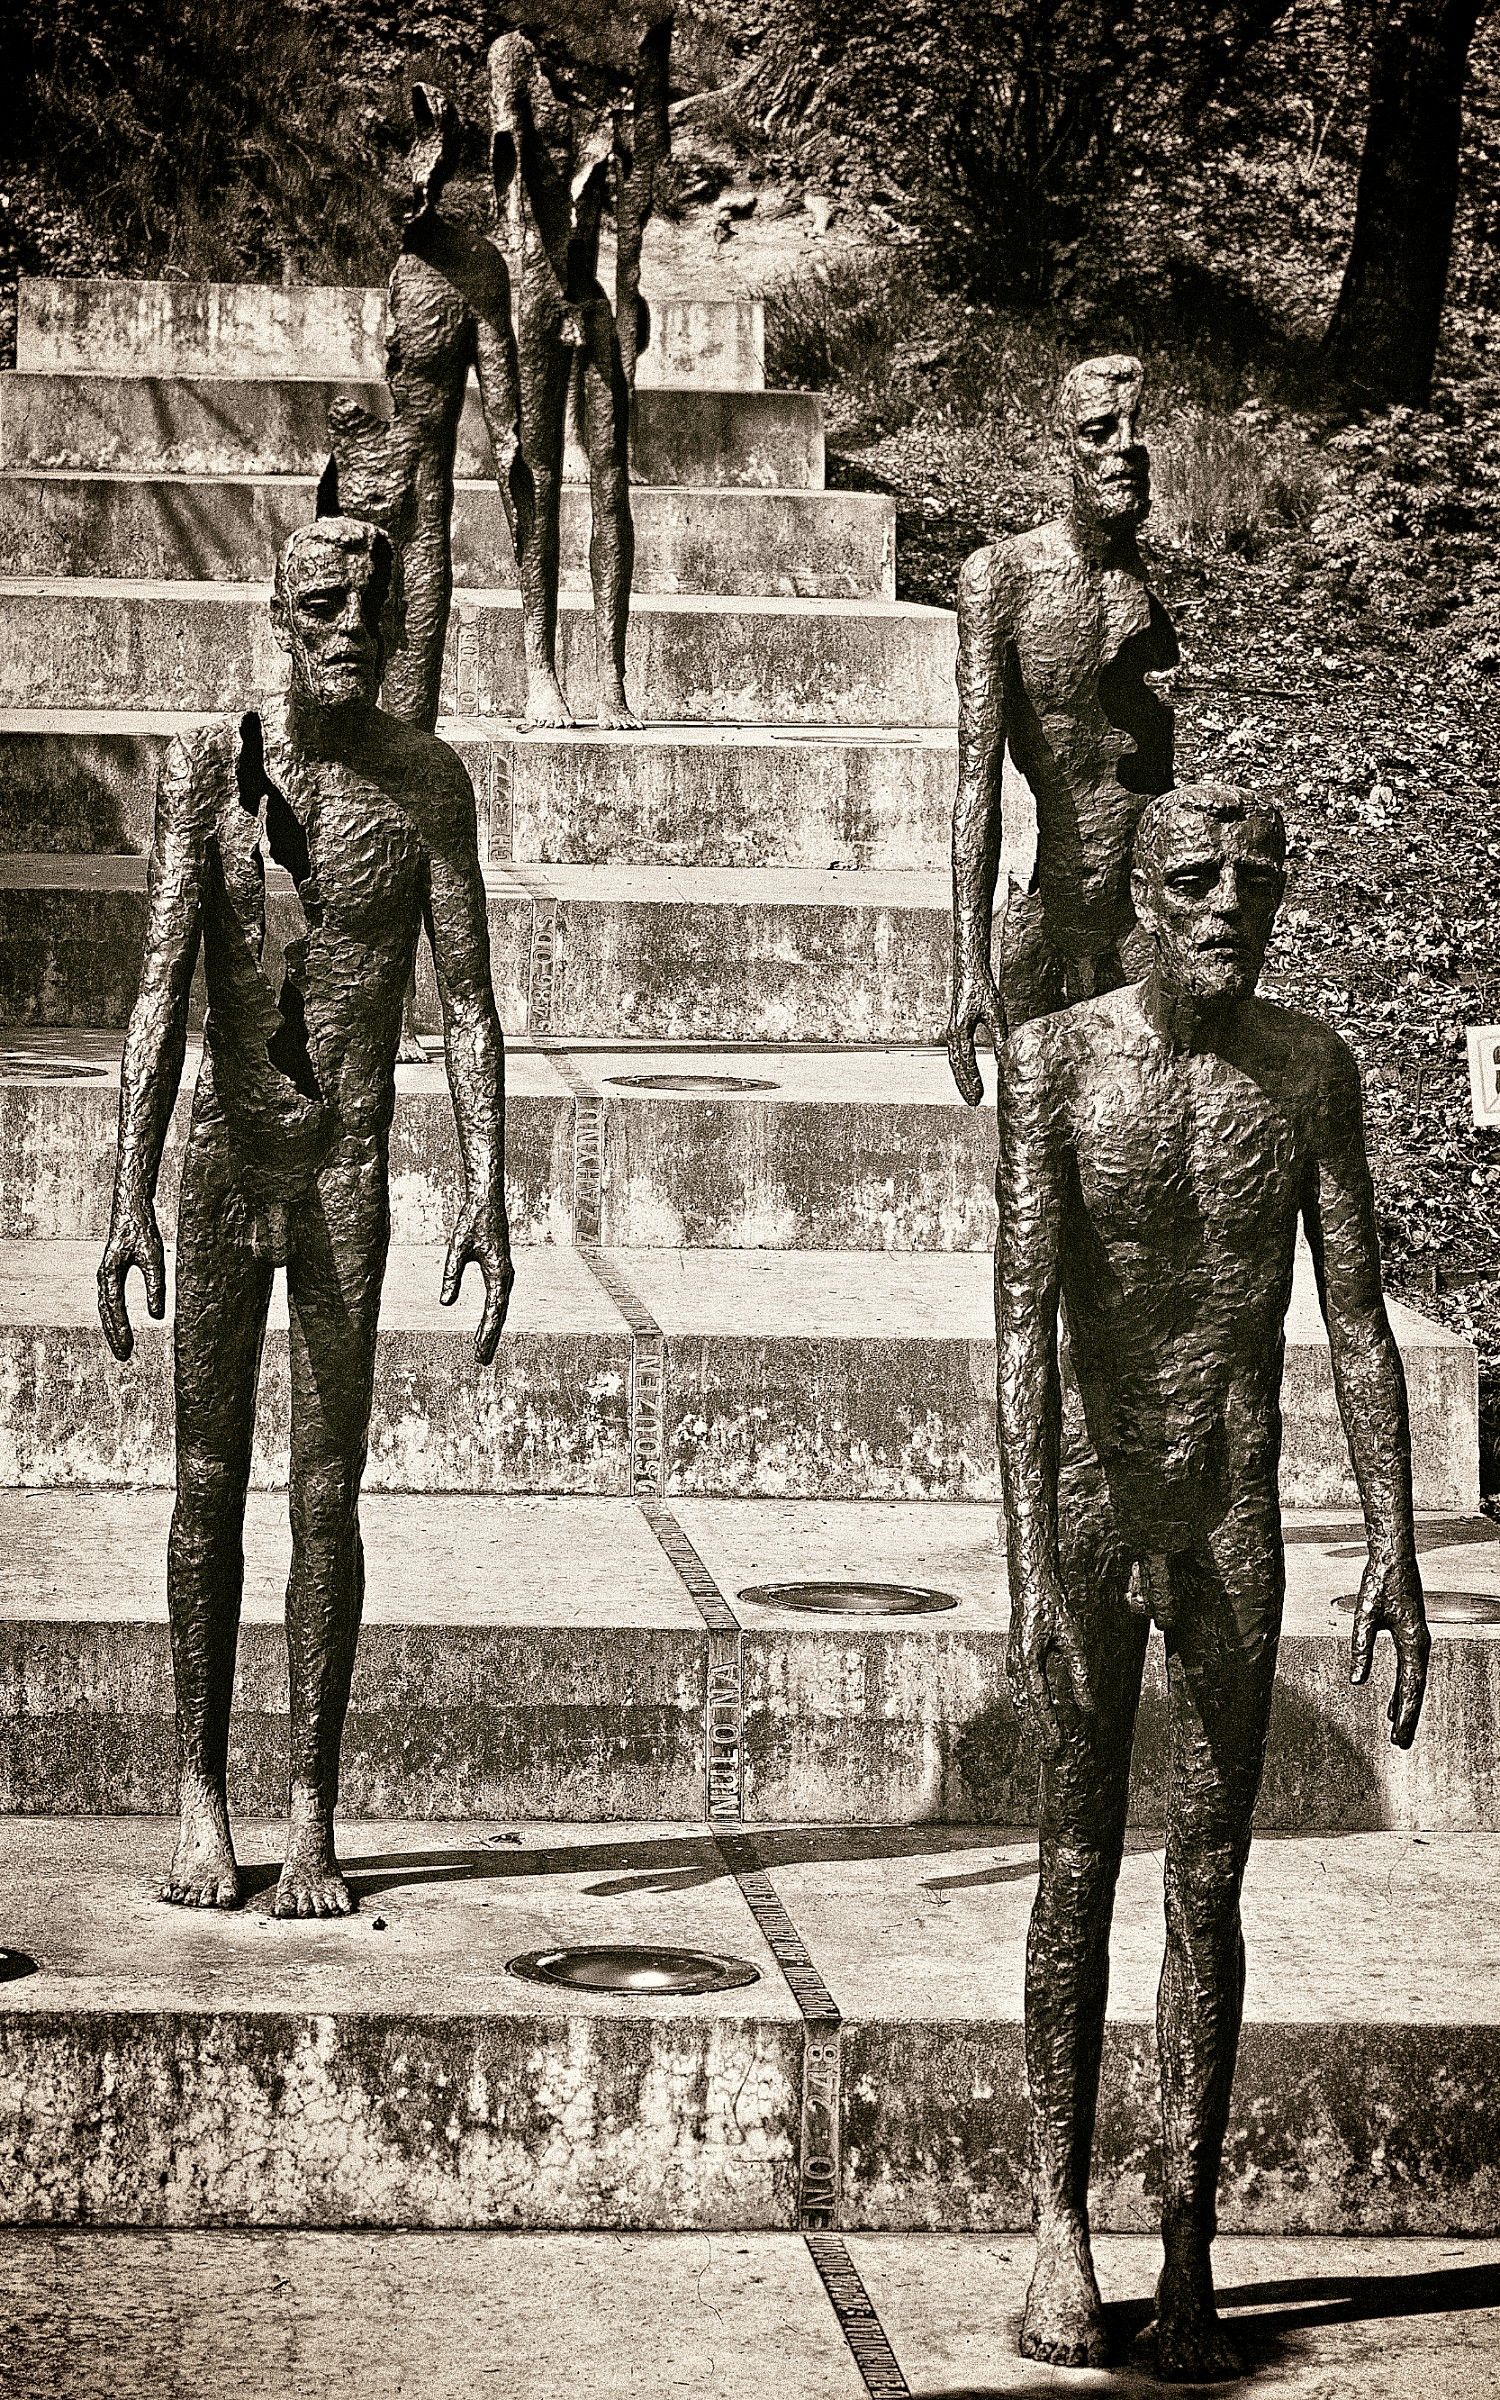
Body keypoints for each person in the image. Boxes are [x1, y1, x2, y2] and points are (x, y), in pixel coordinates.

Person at [997, 782, 1429, 2380]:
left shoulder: (1310, 1072)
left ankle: (1185, 2229)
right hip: (1096, 1505)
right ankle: (1054, 2216)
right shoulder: (1054, 1067)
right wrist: (1024, 1557)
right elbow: (1016, 1334)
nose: (1228, 906)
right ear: (1139, 896)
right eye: (1196, 878)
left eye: (1255, 880)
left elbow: (1362, 1324)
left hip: (1233, 1516)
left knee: (1207, 1879)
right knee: (1074, 1858)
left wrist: (1393, 1542)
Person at [97, 518, 514, 1919]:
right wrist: (125, 1189)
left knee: (325, 1494)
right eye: (321, 601)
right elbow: (161, 985)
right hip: (225, 1155)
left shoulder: (426, 786)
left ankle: (313, 1814)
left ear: (399, 625)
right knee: (205, 1487)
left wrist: (489, 1189)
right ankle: (199, 1792)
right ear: (280, 608)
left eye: (369, 605)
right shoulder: (214, 768)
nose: (347, 625)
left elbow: (470, 1002)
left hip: (345, 1164)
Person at [947, 354, 1178, 1098]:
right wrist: (967, 965)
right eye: (1100, 431)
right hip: (1049, 923)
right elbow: (974, 788)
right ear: (1064, 450)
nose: (1126, 449)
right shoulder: (1003, 579)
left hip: (1152, 928)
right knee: (1040, 1172)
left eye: (1137, 430)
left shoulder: (1151, 599)